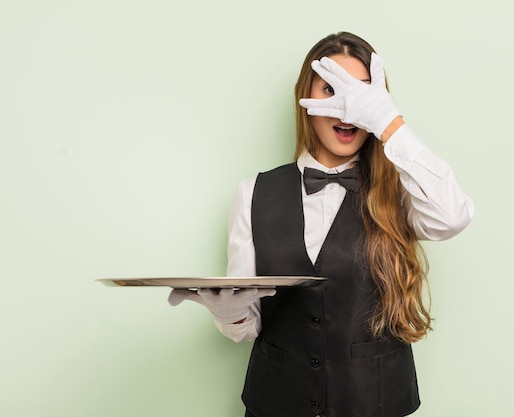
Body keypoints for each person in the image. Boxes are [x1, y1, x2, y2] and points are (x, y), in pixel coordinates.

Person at [169, 32, 474, 417]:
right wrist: (229, 310)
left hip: (375, 402)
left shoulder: (401, 190)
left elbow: (452, 216)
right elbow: (247, 326)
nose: (347, 108)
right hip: (275, 402)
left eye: (361, 94)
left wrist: (389, 123)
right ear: (306, 100)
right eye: (331, 89)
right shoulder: (253, 193)